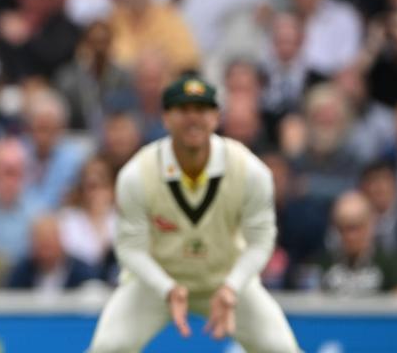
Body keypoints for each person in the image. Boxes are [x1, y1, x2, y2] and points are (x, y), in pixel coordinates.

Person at [86, 74, 299, 352]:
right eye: (183, 110)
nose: (192, 119)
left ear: (215, 117)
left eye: (201, 109)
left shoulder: (250, 171)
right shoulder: (137, 174)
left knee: (281, 347)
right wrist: (167, 288)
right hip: (157, 284)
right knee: (107, 346)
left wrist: (232, 287)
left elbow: (260, 242)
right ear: (166, 118)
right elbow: (130, 249)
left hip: (226, 280)